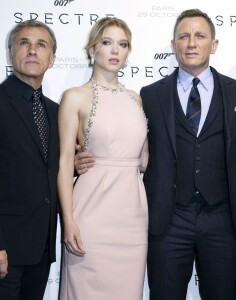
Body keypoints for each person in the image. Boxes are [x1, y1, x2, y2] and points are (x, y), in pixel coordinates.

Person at [140, 8, 236, 300]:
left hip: (222, 217)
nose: (191, 43)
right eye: (183, 36)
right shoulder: (150, 94)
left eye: (200, 36)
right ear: (174, 46)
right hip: (168, 216)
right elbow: (132, 142)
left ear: (214, 44)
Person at [58, 17, 148, 300]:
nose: (115, 51)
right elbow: (63, 164)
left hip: (133, 216)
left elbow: (144, 160)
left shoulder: (136, 99)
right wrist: (69, 220)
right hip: (91, 214)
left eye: (122, 45)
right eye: (107, 43)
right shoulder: (74, 97)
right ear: (92, 49)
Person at [0, 20, 59, 299]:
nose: (33, 50)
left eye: (41, 45)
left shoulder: (56, 111)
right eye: (24, 43)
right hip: (5, 251)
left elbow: (45, 168)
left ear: (52, 59)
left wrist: (76, 166)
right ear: (11, 54)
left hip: (42, 248)